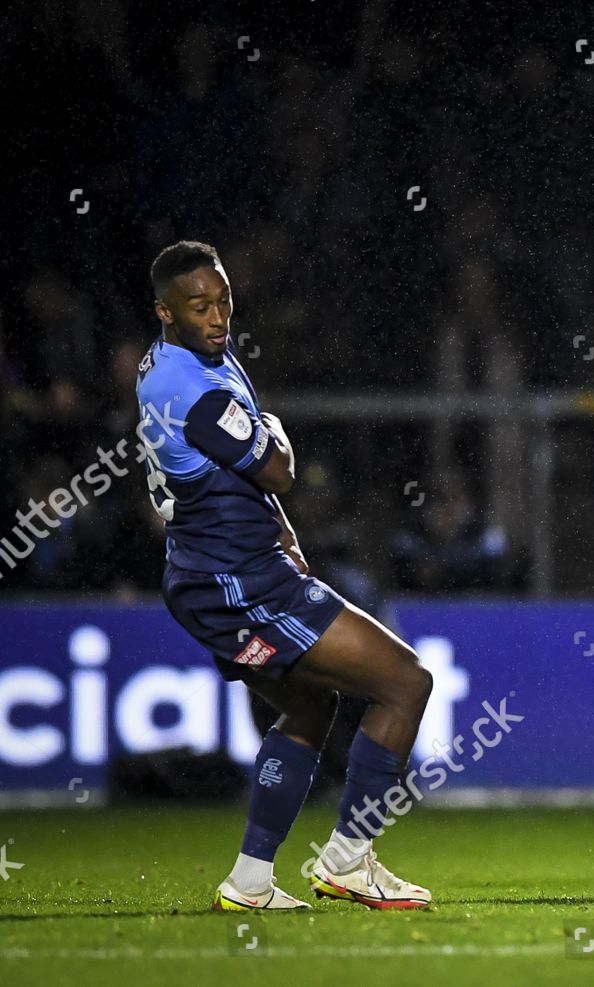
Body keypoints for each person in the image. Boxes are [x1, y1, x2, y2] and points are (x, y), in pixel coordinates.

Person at [136, 241, 433, 911]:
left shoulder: (169, 360)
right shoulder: (197, 392)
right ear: (164, 312)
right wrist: (274, 432)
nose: (217, 318)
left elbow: (234, 478)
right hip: (239, 579)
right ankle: (348, 859)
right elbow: (278, 469)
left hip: (210, 574)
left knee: (308, 704)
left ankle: (247, 882)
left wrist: (282, 529)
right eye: (198, 307)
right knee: (405, 681)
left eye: (223, 301)